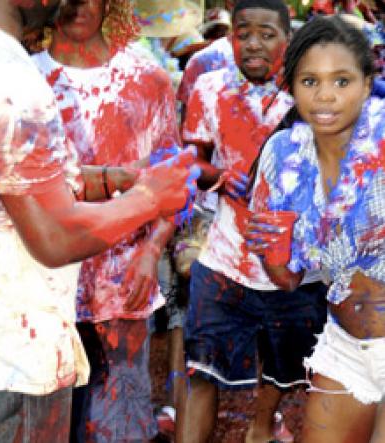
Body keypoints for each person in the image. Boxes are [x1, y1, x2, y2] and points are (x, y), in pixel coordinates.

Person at [0, 1, 196, 441]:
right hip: (1, 368)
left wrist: (116, 180)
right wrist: (150, 197)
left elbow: (2, 183)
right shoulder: (9, 75)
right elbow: (55, 236)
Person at [31, 0, 183, 441]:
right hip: (44, 293)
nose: (77, 5)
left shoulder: (146, 79)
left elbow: (175, 180)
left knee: (118, 427)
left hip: (122, 290)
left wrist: (151, 252)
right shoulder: (24, 80)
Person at [180, 1, 328, 442]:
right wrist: (221, 179)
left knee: (283, 373)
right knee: (201, 369)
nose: (254, 44)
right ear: (231, 39)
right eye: (244, 33)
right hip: (224, 257)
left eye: (267, 34)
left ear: (288, 38)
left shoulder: (312, 93)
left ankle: (261, 429)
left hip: (295, 268)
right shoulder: (209, 88)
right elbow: (195, 159)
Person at [246, 14, 385, 443]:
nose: (326, 96)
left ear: (367, 82)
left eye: (341, 81)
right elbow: (286, 279)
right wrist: (271, 251)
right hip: (346, 343)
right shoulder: (283, 153)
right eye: (310, 81)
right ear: (291, 86)